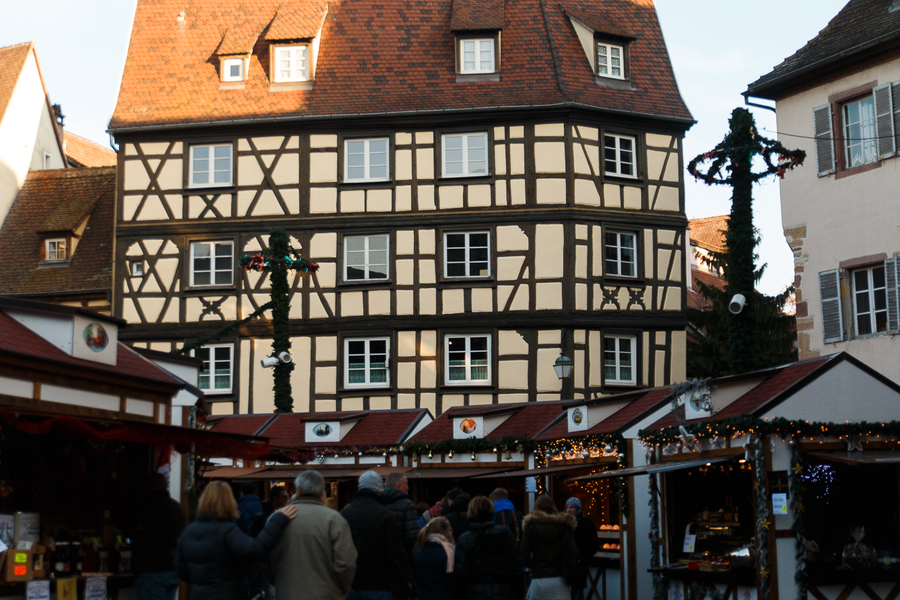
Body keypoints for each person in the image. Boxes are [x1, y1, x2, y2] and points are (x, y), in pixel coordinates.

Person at [176, 481, 296, 600]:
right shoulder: (227, 531)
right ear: (229, 501)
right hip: (228, 594)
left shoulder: (189, 531)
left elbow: (182, 571)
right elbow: (255, 550)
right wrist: (277, 521)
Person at [268, 471, 358, 600]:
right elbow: (345, 563)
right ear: (322, 492)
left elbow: (266, 557)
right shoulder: (334, 519)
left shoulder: (278, 517)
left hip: (287, 592)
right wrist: (342, 590)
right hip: (326, 594)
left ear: (298, 489)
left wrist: (277, 582)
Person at [341, 470, 408, 600]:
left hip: (351, 583)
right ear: (379, 490)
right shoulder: (385, 514)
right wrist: (407, 581)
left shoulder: (345, 513)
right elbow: (395, 552)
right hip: (379, 584)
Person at [454, 496, 521, 600]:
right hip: (504, 592)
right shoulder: (506, 534)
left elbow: (461, 574)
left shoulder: (464, 539)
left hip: (475, 593)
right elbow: (516, 568)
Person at [132, 473, 186, 600]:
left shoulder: (148, 508)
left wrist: (137, 567)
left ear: (152, 486)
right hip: (173, 567)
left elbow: (143, 539)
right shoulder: (177, 508)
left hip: (153, 569)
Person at [520, 495, 578, 600]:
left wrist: (535, 565)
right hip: (561, 579)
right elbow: (573, 552)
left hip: (539, 578)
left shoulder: (530, 526)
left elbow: (524, 555)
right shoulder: (564, 526)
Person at [248, 485, 291, 599]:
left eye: (287, 497)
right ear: (275, 498)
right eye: (284, 497)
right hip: (265, 565)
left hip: (280, 563)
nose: (287, 499)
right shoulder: (262, 518)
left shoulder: (286, 516)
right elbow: (254, 540)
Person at [413, 517, 458, 600]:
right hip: (443, 595)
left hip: (423, 595)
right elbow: (450, 579)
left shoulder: (420, 548)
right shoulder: (448, 551)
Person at [565, 497, 599, 600]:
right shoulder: (564, 525)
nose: (569, 510)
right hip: (566, 565)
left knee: (577, 594)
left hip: (579, 566)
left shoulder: (586, 524)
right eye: (567, 507)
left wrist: (582, 559)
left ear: (578, 509)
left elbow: (593, 545)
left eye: (572, 507)